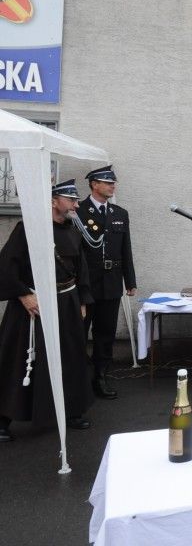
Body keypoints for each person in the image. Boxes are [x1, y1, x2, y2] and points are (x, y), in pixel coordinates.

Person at [0, 180, 94, 442]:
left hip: (67, 303)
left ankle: (72, 411)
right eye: (71, 199)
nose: (76, 204)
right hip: (33, 305)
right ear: (54, 201)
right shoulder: (27, 230)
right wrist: (23, 294)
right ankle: (3, 418)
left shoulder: (74, 231)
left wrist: (83, 300)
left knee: (71, 357)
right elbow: (7, 265)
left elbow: (81, 269)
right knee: (21, 358)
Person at [79, 165, 136, 400]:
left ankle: (100, 377)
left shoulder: (120, 214)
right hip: (86, 284)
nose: (112, 186)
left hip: (111, 283)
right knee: (79, 332)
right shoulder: (79, 211)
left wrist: (129, 281)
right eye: (107, 182)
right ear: (94, 184)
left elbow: (126, 249)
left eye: (113, 182)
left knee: (105, 334)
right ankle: (77, 378)